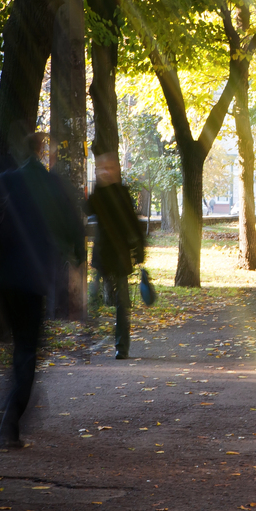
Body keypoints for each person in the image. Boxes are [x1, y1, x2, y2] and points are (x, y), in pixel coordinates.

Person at [0, 132, 85, 449]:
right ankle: (9, 422)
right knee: (27, 352)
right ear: (43, 153)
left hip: (3, 283)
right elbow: (75, 231)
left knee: (16, 349)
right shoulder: (53, 186)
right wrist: (75, 262)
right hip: (34, 281)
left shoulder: (6, 182)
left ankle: (7, 409)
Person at [88, 153, 145, 359]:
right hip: (103, 255)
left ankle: (122, 346)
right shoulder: (98, 194)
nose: (106, 171)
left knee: (122, 302)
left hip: (120, 256)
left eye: (110, 167)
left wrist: (139, 252)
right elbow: (87, 210)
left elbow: (133, 223)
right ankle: (91, 339)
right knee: (93, 300)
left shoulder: (122, 192)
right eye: (102, 168)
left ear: (116, 170)